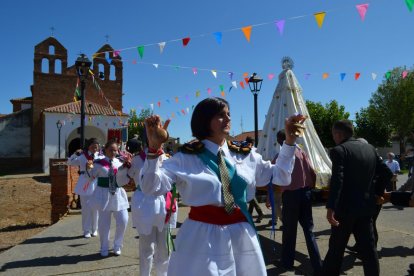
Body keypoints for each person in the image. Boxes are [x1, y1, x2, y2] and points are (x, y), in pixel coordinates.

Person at [140, 97, 305, 276]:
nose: (227, 119)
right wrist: (154, 149)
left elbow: (281, 176)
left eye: (228, 114)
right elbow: (151, 188)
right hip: (201, 236)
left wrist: (289, 142)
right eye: (220, 115)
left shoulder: (245, 154)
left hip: (241, 235)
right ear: (204, 120)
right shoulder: (186, 157)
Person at [322, 120, 393, 276]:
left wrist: (331, 207)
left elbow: (337, 180)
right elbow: (387, 173)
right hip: (367, 208)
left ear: (338, 134)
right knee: (369, 251)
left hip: (344, 210)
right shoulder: (370, 149)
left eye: (333, 134)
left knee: (336, 250)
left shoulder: (339, 150)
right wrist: (377, 193)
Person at [269, 130, 322, 274]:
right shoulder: (301, 152)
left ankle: (287, 262)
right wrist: (310, 188)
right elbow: (313, 171)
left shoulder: (280, 157)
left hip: (291, 196)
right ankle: (317, 264)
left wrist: (271, 198)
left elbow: (273, 178)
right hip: (305, 193)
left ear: (281, 140)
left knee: (289, 231)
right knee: (309, 230)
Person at [129, 139, 177, 276]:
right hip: (145, 203)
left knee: (164, 247)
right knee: (146, 247)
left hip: (165, 202)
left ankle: (163, 274)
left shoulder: (167, 158)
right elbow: (123, 179)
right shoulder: (137, 159)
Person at [87, 140, 131, 257]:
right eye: (110, 150)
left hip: (117, 194)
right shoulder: (98, 163)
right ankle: (104, 247)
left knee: (123, 220)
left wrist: (128, 166)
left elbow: (126, 177)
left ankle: (117, 245)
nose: (113, 152)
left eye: (115, 150)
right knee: (104, 224)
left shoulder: (120, 162)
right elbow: (91, 176)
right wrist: (89, 168)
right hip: (103, 195)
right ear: (105, 150)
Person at [67, 138, 103, 238]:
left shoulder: (100, 157)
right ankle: (86, 230)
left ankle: (94, 229)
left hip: (96, 183)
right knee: (86, 208)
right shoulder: (83, 156)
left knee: (96, 208)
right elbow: (69, 162)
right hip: (85, 183)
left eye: (96, 146)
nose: (95, 148)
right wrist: (75, 154)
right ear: (88, 146)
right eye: (93, 145)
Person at [245, 136, 265, 223]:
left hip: (248, 176)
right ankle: (250, 214)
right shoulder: (255, 151)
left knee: (251, 195)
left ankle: (260, 212)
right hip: (254, 176)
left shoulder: (247, 151)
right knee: (251, 195)